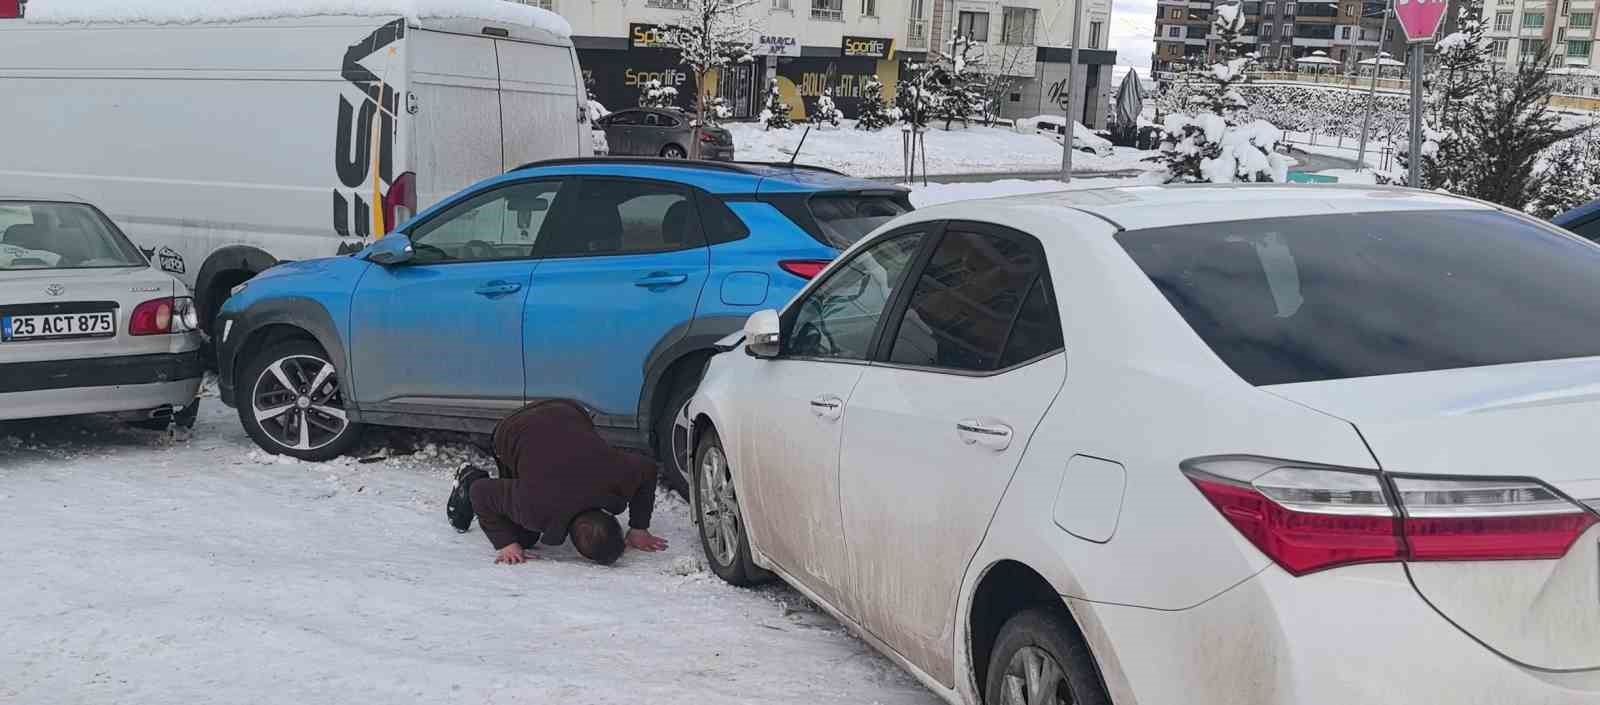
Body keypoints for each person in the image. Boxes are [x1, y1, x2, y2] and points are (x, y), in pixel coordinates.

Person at [446, 399, 669, 565]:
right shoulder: (534, 506)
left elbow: (648, 468)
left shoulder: (618, 478)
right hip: (512, 429)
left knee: (525, 517)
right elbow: (481, 492)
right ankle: (469, 474)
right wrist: (506, 544)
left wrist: (639, 527)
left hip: (567, 409)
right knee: (523, 537)